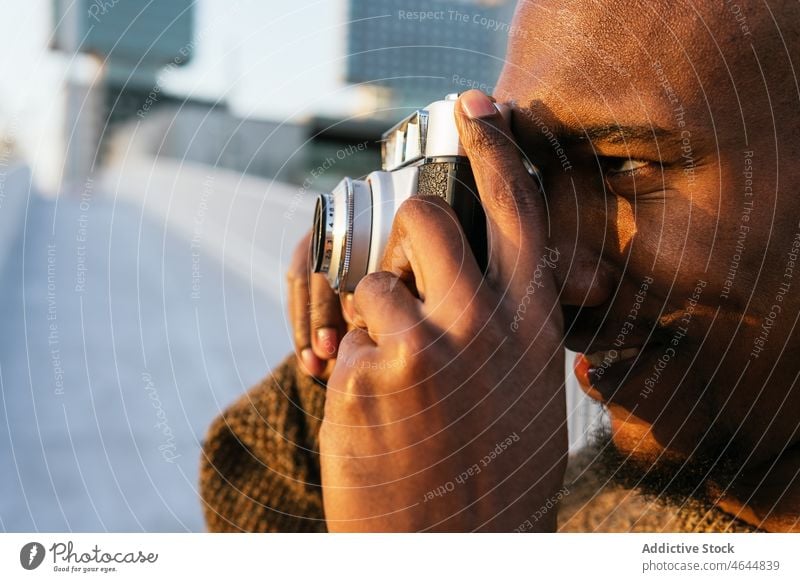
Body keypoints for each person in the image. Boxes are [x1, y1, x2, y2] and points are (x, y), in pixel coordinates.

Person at [199, 1, 800, 532]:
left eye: (623, 167)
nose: (552, 277)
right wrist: (365, 378)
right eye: (530, 179)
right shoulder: (585, 503)